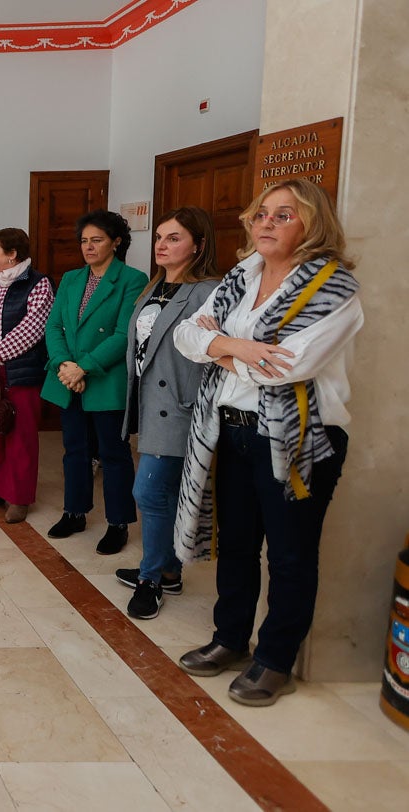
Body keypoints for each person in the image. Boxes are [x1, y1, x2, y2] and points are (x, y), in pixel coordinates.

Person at [172, 179, 362, 706]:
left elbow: (288, 367)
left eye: (284, 215)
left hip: (298, 440)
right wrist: (234, 347)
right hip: (230, 429)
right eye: (262, 214)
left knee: (290, 555)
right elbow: (187, 334)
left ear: (312, 225)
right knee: (236, 545)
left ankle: (275, 659)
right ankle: (229, 639)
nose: (267, 224)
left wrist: (217, 350)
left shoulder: (334, 288)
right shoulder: (241, 274)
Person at [114, 207, 221, 619]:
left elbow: (209, 349)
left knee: (149, 492)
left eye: (174, 237)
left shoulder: (209, 290)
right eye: (159, 236)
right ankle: (170, 570)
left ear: (199, 244)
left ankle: (151, 578)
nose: (161, 244)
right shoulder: (156, 286)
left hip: (181, 406)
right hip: (148, 402)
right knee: (165, 492)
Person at [42, 210, 147, 554]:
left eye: (97, 240)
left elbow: (122, 335)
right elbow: (54, 326)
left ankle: (118, 523)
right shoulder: (72, 278)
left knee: (113, 453)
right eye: (84, 241)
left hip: (103, 379)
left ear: (116, 242)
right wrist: (64, 365)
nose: (88, 247)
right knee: (74, 450)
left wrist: (83, 368)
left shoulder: (132, 279)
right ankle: (75, 512)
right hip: (68, 378)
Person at [0, 228, 54, 524]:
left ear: (12, 254)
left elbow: (32, 330)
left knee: (21, 436)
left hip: (21, 372)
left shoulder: (38, 284)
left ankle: (18, 497)